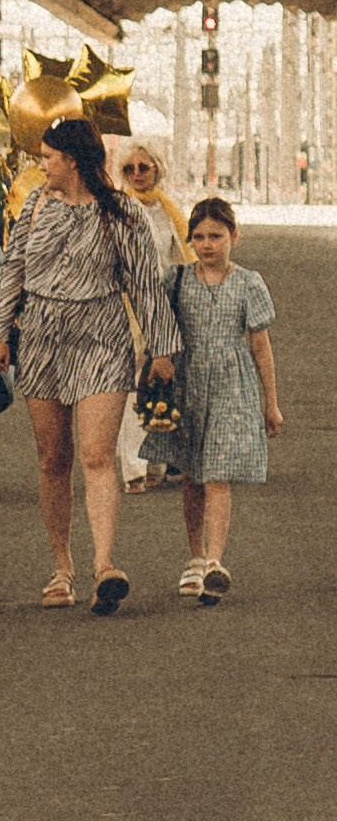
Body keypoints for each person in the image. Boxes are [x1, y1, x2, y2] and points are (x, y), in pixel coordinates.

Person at [0, 112, 178, 614]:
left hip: (101, 336)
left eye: (47, 158)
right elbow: (13, 272)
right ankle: (62, 566)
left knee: (96, 454)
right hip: (44, 336)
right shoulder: (35, 207)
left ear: (71, 160)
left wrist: (162, 348)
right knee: (53, 459)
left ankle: (105, 565)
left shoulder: (123, 213)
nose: (41, 165)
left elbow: (144, 282)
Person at [167, 198, 281, 603]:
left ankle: (215, 561)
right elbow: (159, 329)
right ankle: (194, 557)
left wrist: (271, 402)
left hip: (235, 386)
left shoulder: (249, 282)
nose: (207, 244)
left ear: (234, 236)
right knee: (192, 476)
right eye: (198, 237)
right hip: (189, 384)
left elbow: (260, 345)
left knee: (217, 475)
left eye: (216, 235)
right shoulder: (177, 280)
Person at [112, 145, 190, 489]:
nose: (137, 173)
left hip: (165, 305)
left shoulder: (168, 210)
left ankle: (158, 460)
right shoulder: (117, 208)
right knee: (132, 384)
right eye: (129, 168)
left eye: (144, 167)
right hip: (126, 306)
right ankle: (134, 469)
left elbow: (182, 256)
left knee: (162, 379)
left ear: (158, 169)